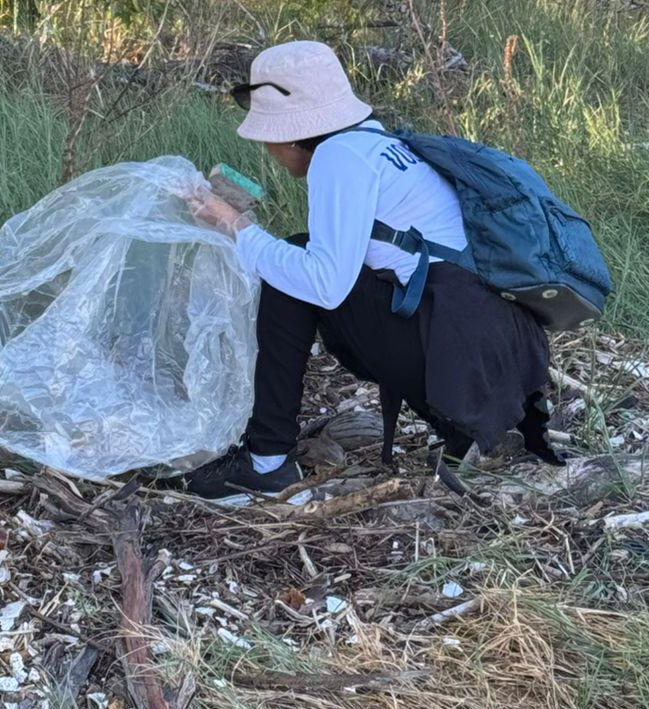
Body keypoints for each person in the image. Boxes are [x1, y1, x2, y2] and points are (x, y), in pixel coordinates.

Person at [187, 40, 558, 499]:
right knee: (299, 259)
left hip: (458, 347)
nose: (267, 149)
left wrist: (236, 226)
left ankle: (266, 461)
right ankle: (463, 427)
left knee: (291, 268)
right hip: (497, 355)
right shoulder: (380, 142)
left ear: (288, 131)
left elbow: (324, 283)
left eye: (267, 136)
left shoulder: (337, 159)